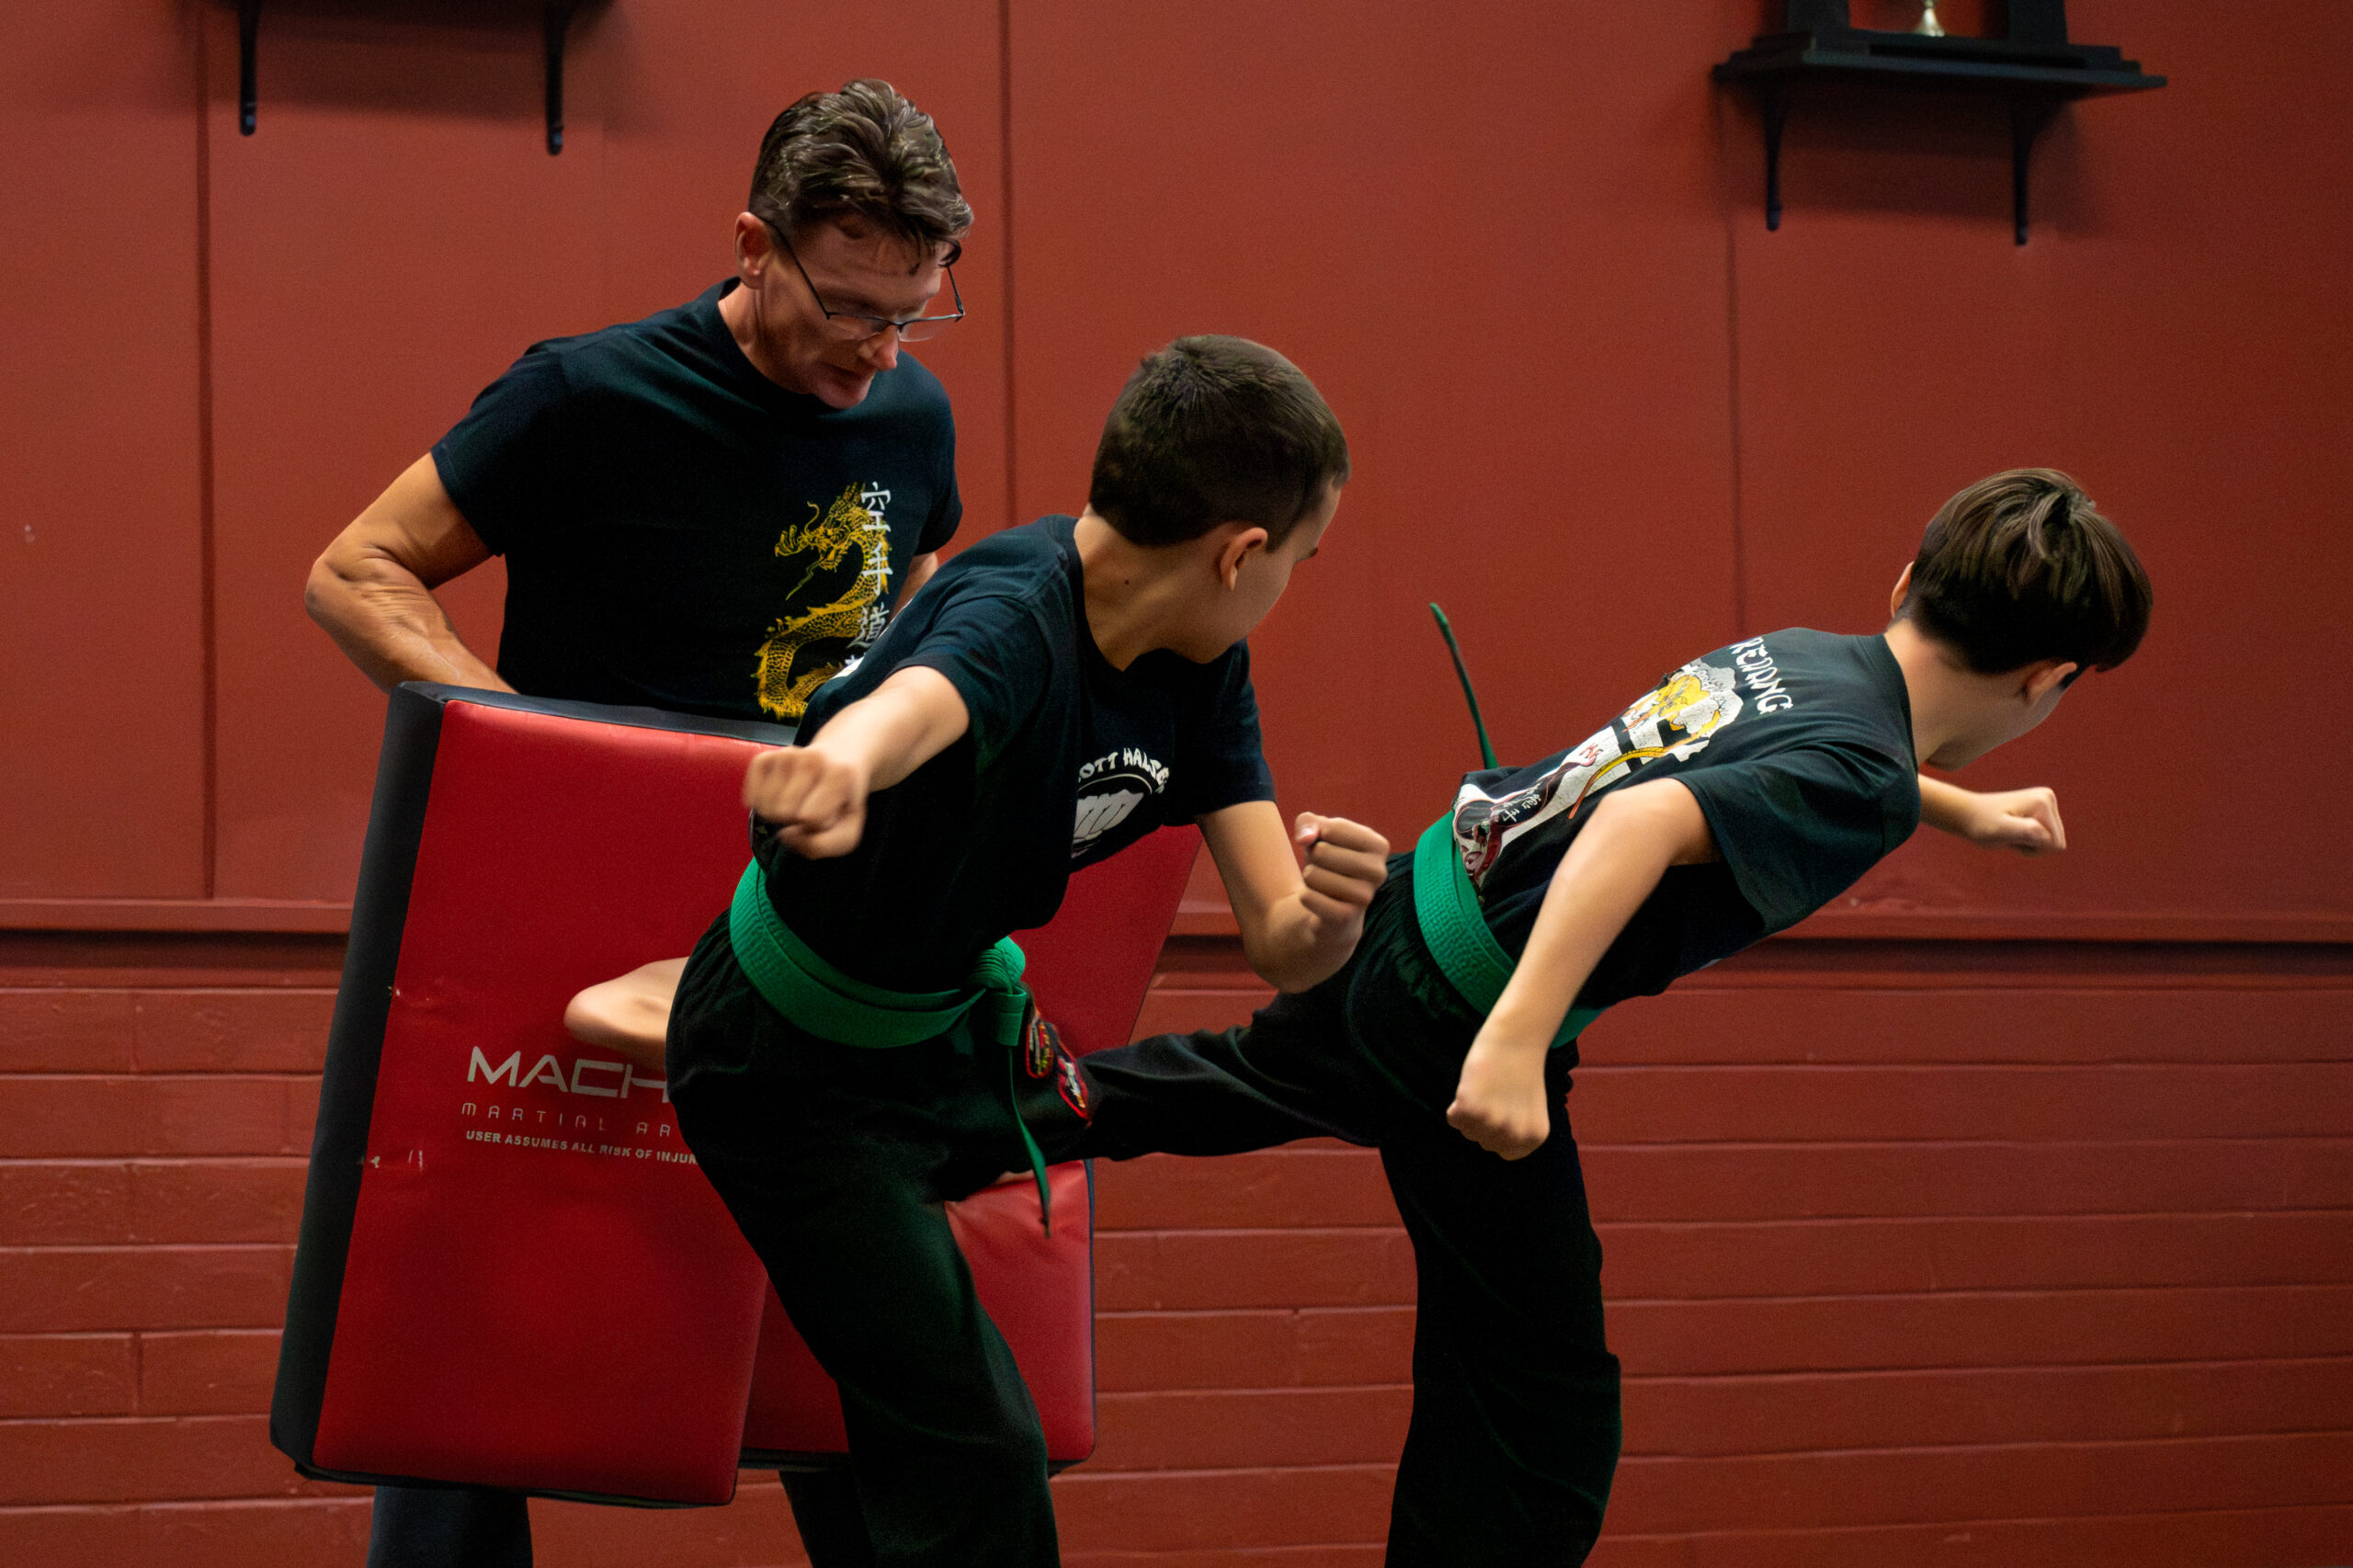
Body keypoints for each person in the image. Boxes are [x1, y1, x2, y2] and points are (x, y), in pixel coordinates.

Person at [1045, 468, 2154, 1564]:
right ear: (2048, 677)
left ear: (1908, 581)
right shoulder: (1859, 777)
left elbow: (1792, 757)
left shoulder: (1804, 656)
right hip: (1459, 1006)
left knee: (1232, 1085)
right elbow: (1643, 821)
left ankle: (987, 1104)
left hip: (1413, 907)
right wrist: (1515, 1041)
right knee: (1539, 1423)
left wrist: (1963, 810)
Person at [571, 335, 1387, 1568]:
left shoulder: (1203, 669)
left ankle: (1386, 1072)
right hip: (791, 1077)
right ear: (1240, 552)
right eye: (1299, 562)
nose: (1286, 587)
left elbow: (1282, 942)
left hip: (944, 1043)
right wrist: (840, 764)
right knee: (980, 1445)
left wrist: (1331, 916)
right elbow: (925, 699)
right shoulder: (1016, 610)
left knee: (1268, 1070)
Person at [302, 78, 975, 1568]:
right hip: (569, 916)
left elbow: (919, 593)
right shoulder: (588, 396)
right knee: (478, 1363)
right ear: (753, 245)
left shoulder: (908, 413)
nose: (876, 351)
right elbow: (357, 572)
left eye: (909, 315)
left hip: (793, 921)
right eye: (846, 307)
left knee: (847, 1352)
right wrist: (538, 764)